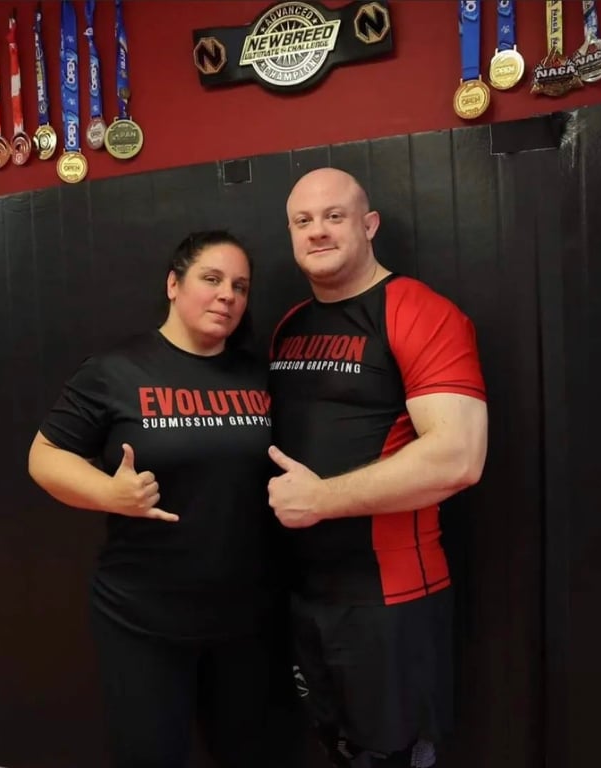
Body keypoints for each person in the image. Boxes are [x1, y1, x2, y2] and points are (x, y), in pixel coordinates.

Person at [28, 231, 299, 768]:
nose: (227, 295)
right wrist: (109, 493)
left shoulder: (259, 374)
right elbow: (44, 455)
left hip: (246, 618)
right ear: (174, 284)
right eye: (212, 279)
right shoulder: (116, 369)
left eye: (240, 286)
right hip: (143, 617)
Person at [267, 168, 488, 768]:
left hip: (391, 598)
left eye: (334, 216)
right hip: (304, 596)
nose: (317, 231)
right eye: (303, 221)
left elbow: (460, 457)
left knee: (394, 757)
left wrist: (321, 500)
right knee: (333, 749)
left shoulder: (420, 311)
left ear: (369, 225)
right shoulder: (290, 326)